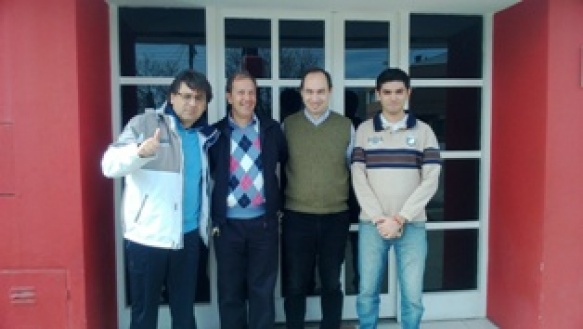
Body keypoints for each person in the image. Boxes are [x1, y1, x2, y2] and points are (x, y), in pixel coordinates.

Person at [101, 69, 219, 329]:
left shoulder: (204, 136)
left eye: (199, 98)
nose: (192, 103)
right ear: (171, 97)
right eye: (186, 96)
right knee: (144, 316)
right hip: (147, 238)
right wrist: (138, 153)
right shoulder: (144, 124)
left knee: (185, 314)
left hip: (186, 238)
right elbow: (109, 165)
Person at [351, 68, 442, 329]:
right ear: (378, 94)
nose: (393, 98)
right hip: (373, 224)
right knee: (367, 292)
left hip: (411, 225)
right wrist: (380, 217)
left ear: (408, 93)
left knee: (412, 296)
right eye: (387, 92)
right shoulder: (364, 131)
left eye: (399, 92)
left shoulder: (425, 132)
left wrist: (401, 217)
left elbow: (430, 179)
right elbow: (359, 177)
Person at [209, 70, 287, 329]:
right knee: (230, 293)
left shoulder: (271, 129)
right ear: (229, 97)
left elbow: (285, 165)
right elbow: (211, 172)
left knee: (262, 292)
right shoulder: (215, 134)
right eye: (240, 92)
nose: (247, 98)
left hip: (263, 224)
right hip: (227, 226)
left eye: (251, 92)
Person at [282, 67, 354, 329]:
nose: (315, 98)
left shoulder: (345, 126)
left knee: (332, 282)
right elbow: (277, 170)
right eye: (309, 92)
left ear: (330, 93)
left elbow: (355, 171)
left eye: (320, 92)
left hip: (335, 216)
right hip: (296, 216)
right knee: (296, 282)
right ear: (302, 93)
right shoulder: (288, 126)